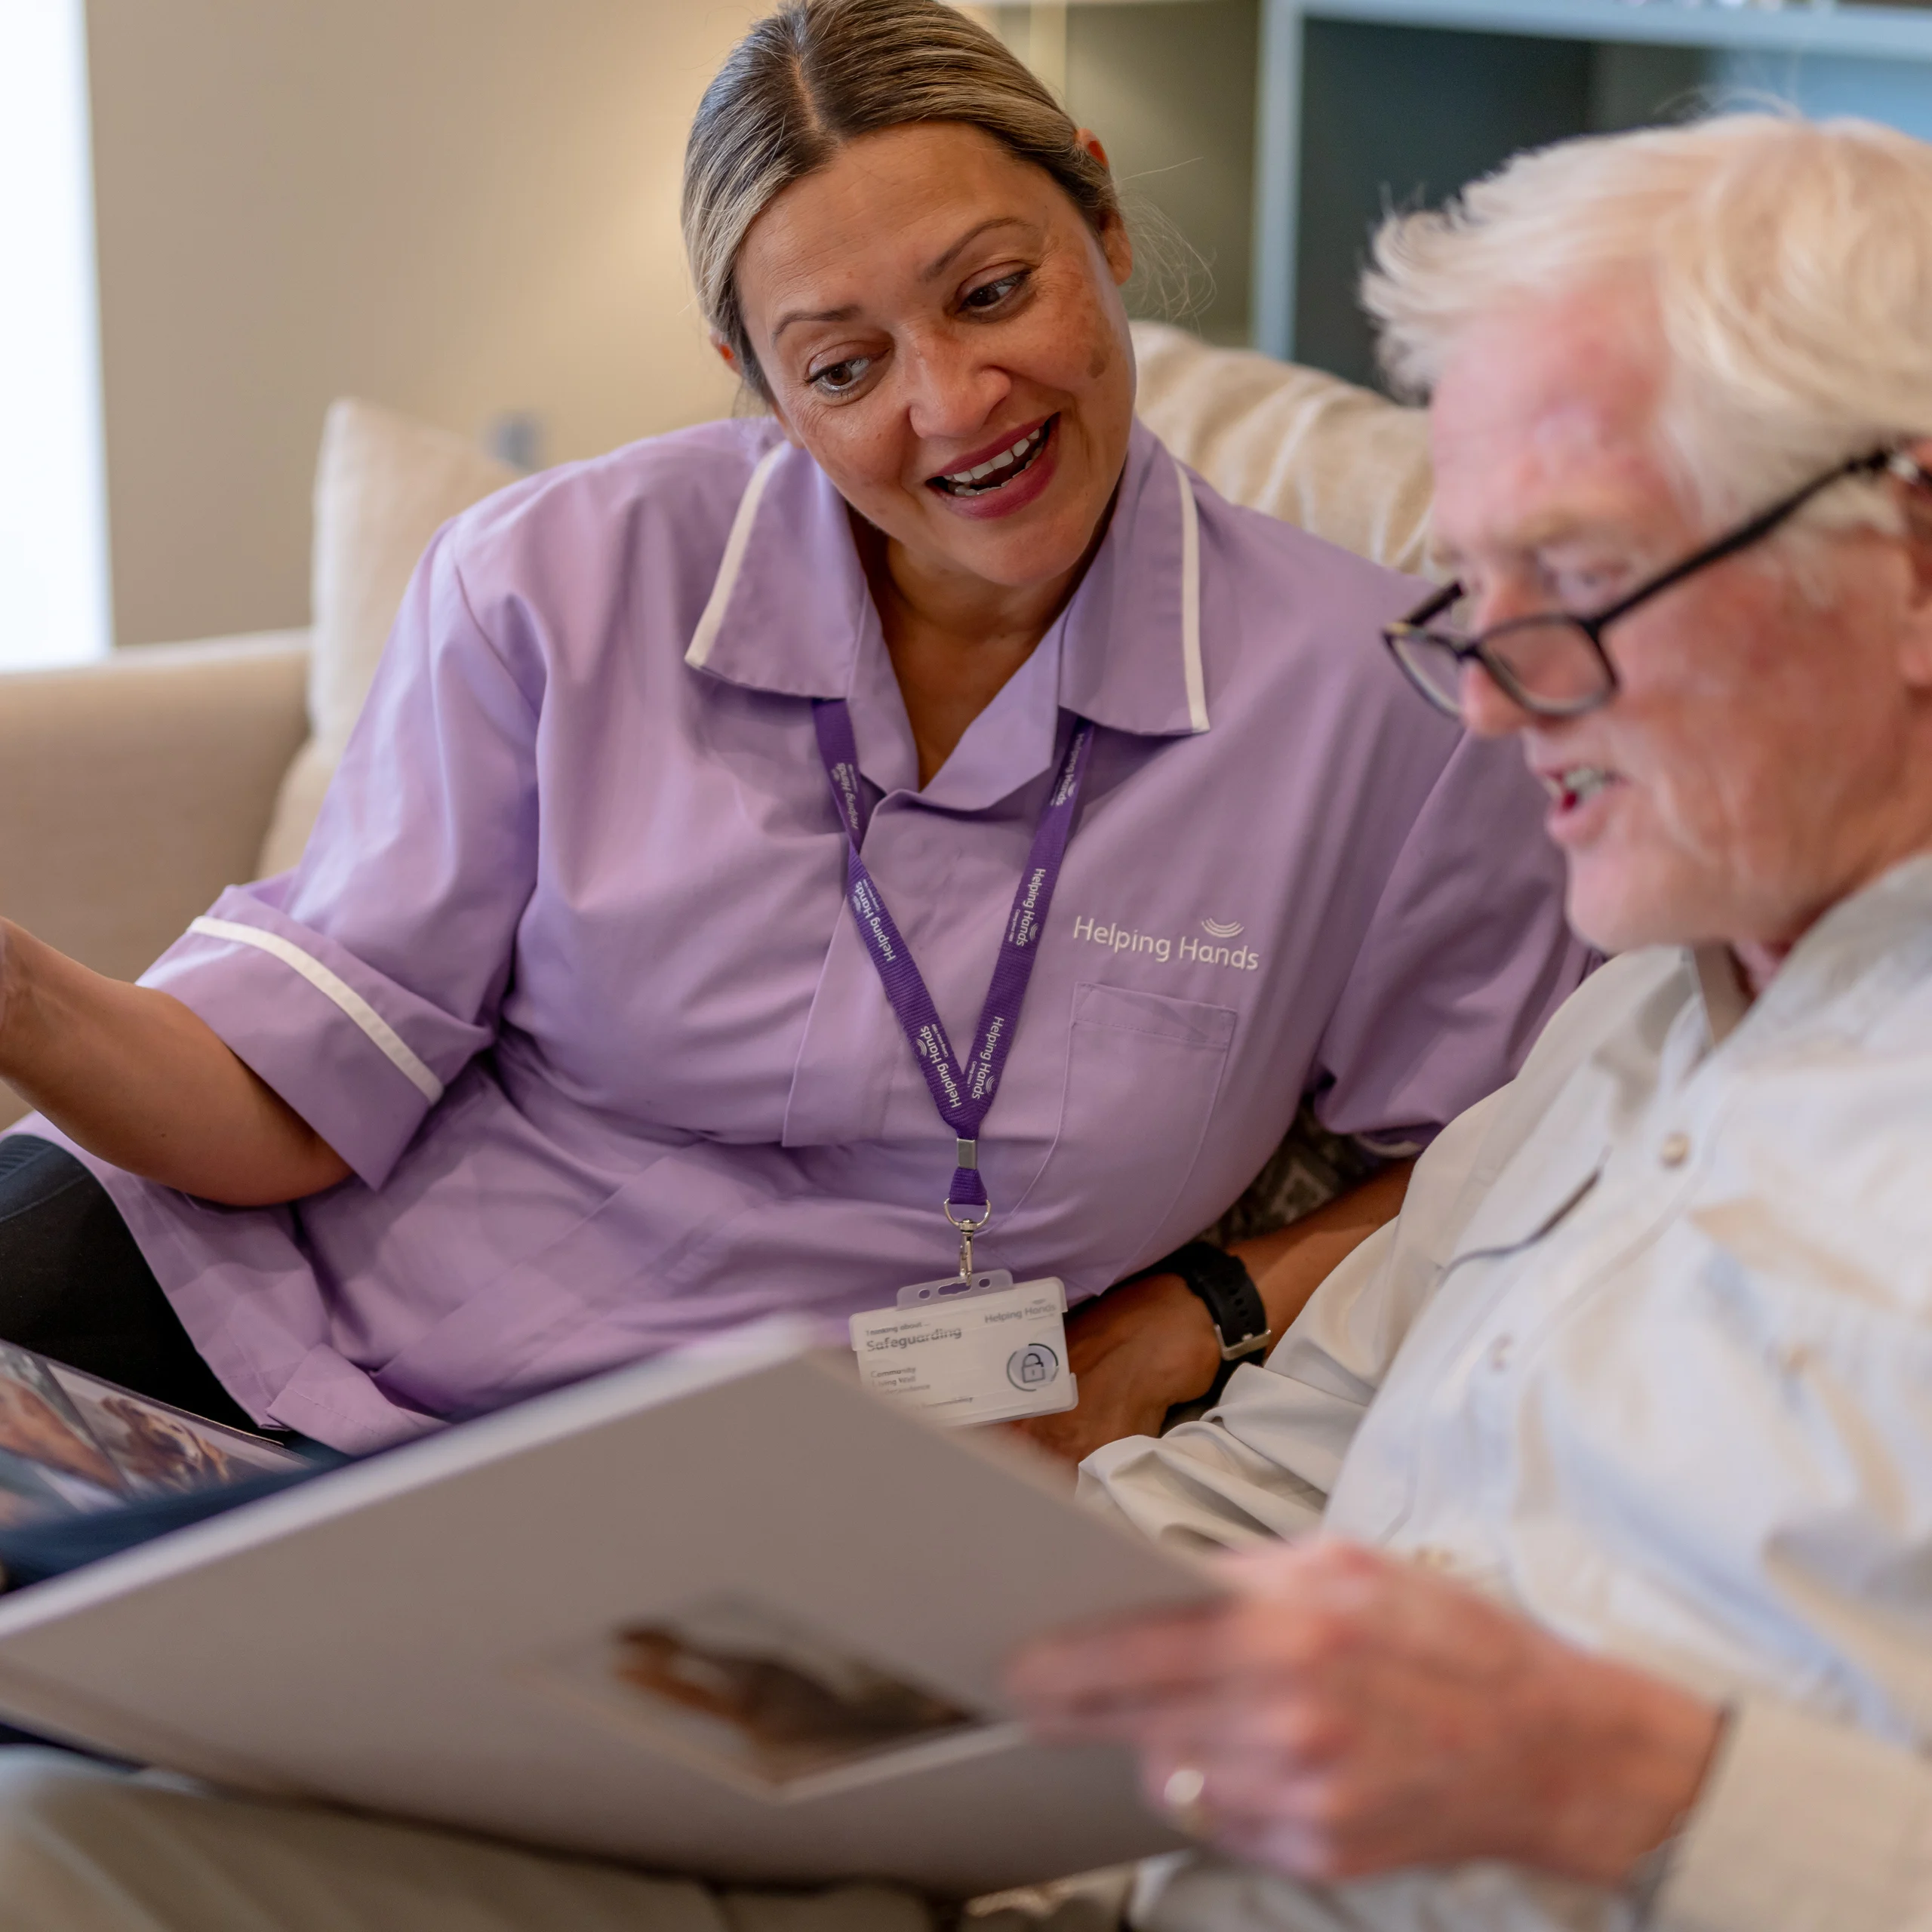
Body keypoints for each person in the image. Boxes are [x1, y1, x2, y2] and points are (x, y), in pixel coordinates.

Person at [0, 0, 1578, 1461]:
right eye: (844, 365)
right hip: (251, 1302)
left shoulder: (1393, 707)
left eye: (991, 291)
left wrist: (1189, 1321)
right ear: (753, 379)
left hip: (783, 1467)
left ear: (1097, 215)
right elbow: (300, 1089)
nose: (954, 404)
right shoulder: (550, 582)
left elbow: (1506, 1148)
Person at [1006, 110, 1932, 1932]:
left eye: (1575, 586)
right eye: (1471, 598)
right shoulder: (1620, 1033)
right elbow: (1264, 1483)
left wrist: (1627, 1789)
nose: (1496, 718)